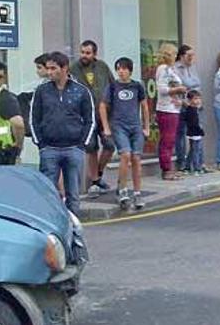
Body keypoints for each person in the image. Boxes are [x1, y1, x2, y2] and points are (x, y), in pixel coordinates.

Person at [30, 51, 95, 215]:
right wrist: (41, 144)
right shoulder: (42, 91)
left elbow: (90, 119)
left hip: (74, 148)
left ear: (64, 68)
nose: (49, 72)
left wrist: (82, 145)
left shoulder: (81, 91)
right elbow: (33, 119)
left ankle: (73, 226)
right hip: (49, 149)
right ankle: (51, 223)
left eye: (53, 68)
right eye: (48, 68)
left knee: (73, 193)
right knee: (48, 193)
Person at [100, 57, 150, 210]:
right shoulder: (112, 86)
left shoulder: (137, 86)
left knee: (136, 157)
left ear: (130, 70)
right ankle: (122, 189)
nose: (121, 71)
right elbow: (102, 106)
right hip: (119, 125)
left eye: (124, 68)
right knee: (125, 154)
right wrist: (106, 127)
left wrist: (146, 127)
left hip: (135, 126)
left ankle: (137, 192)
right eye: (118, 69)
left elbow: (144, 106)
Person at [70, 40, 116, 195]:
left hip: (104, 113)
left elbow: (112, 86)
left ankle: (99, 174)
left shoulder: (102, 67)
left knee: (110, 145)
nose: (84, 55)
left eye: (88, 53)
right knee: (91, 148)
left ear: (94, 54)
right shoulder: (73, 69)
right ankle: (95, 181)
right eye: (82, 52)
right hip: (84, 115)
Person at [155, 43, 186, 180]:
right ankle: (166, 169)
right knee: (167, 140)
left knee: (171, 139)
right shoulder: (163, 69)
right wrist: (178, 90)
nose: (175, 56)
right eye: (174, 54)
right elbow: (162, 89)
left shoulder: (170, 69)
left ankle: (169, 167)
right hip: (166, 108)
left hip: (173, 108)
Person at [174, 45, 201, 172]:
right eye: (189, 55)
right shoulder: (176, 68)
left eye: (193, 55)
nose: (191, 58)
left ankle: (194, 163)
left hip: (193, 105)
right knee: (180, 135)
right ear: (181, 56)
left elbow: (197, 83)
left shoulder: (193, 67)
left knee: (195, 135)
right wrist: (190, 85)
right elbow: (184, 84)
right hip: (183, 104)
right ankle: (181, 162)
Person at [181, 90, 207, 175]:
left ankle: (187, 167)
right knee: (196, 151)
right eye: (195, 99)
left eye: (199, 98)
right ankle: (197, 168)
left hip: (194, 133)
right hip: (195, 134)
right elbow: (194, 123)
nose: (198, 101)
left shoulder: (195, 109)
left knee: (192, 151)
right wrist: (200, 131)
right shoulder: (191, 111)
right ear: (190, 100)